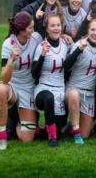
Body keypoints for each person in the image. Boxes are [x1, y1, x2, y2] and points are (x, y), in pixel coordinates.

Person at [0, 12, 42, 150]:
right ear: (21, 30)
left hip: (28, 88)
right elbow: (4, 79)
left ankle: (18, 120)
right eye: (30, 28)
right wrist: (11, 60)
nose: (33, 31)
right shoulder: (8, 44)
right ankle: (2, 137)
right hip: (13, 86)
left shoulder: (36, 38)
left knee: (27, 139)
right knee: (1, 89)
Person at [32, 15, 70, 147]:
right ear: (46, 29)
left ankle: (37, 131)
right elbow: (34, 73)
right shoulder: (42, 46)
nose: (56, 28)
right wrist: (42, 55)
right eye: (52, 26)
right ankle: (52, 138)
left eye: (58, 25)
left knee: (59, 127)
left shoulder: (65, 45)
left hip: (60, 90)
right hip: (43, 90)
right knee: (49, 97)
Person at [64, 19, 96, 142]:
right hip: (73, 90)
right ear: (88, 31)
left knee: (85, 134)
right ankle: (75, 131)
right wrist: (78, 50)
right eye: (92, 30)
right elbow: (66, 65)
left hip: (89, 94)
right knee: (74, 95)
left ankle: (71, 126)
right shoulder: (80, 44)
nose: (95, 33)